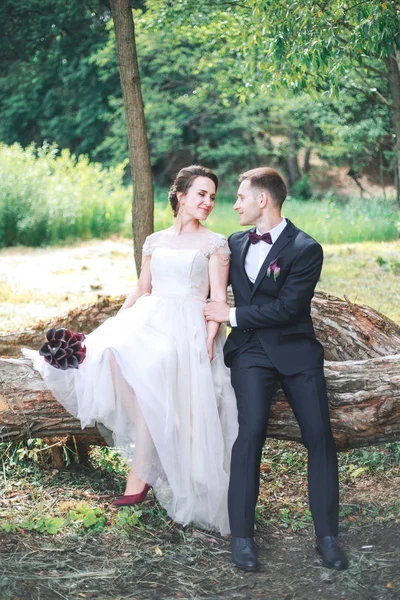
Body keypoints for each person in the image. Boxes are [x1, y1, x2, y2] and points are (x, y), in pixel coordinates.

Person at [28, 165, 238, 535]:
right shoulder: (155, 240)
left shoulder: (215, 244)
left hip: (188, 324)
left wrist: (208, 339)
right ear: (181, 195)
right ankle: (151, 443)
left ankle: (140, 470)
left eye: (212, 197)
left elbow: (217, 299)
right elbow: (142, 288)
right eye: (201, 194)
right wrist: (114, 324)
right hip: (151, 316)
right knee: (110, 354)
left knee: (155, 365)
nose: (207, 202)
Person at [204, 167, 348, 571]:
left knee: (319, 436)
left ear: (261, 200)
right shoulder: (232, 243)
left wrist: (230, 312)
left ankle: (327, 537)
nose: (233, 205)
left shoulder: (305, 248)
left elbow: (289, 309)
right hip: (251, 353)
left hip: (297, 352)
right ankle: (243, 538)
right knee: (249, 434)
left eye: (240, 197)